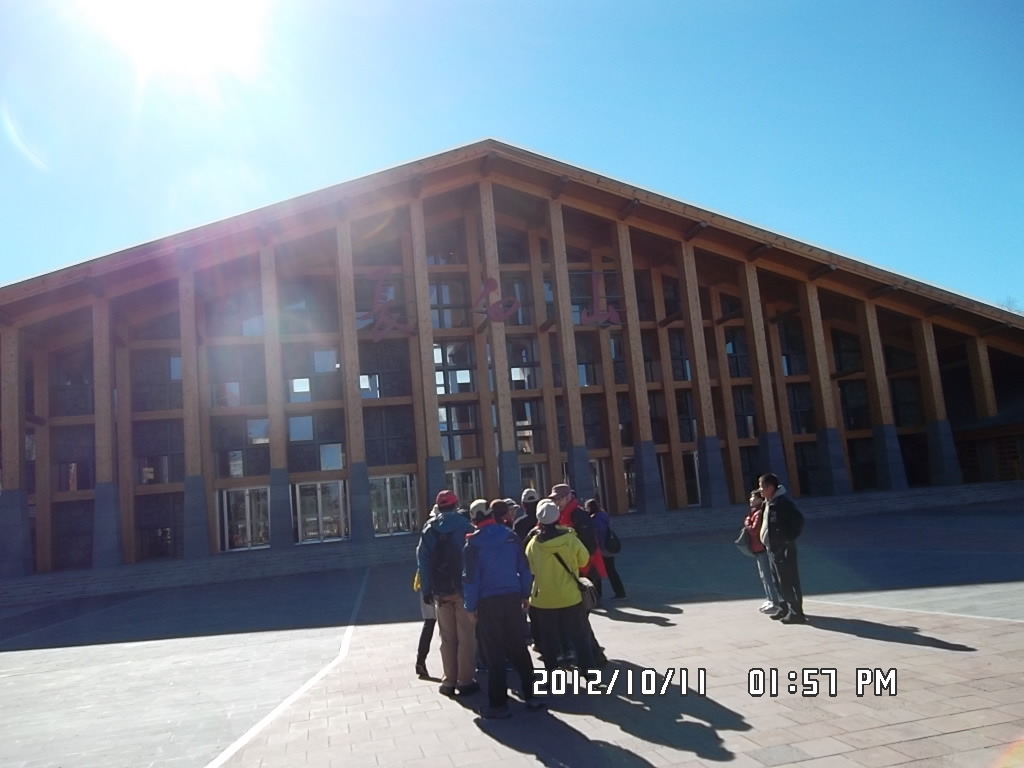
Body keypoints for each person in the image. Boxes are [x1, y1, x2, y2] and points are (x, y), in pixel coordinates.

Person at [463, 499, 544, 718]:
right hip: (512, 598)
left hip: (487, 602)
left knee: (494, 653)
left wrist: (470, 606)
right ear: (492, 515)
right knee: (519, 647)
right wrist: (525, 593)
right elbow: (524, 568)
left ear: (474, 520)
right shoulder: (510, 536)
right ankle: (532, 695)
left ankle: (498, 704)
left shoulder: (472, 544)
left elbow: (470, 580)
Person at [417, 489, 480, 696]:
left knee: (447, 637)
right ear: (455, 504)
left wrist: (427, 589)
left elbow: (423, 561)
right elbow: (473, 560)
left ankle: (448, 681)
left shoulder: (429, 529)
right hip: (462, 590)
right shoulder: (466, 526)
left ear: (438, 507)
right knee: (466, 636)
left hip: (440, 590)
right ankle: (465, 680)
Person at [525, 499, 596, 671]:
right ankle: (589, 672)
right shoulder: (571, 539)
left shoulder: (533, 544)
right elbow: (584, 560)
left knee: (548, 640)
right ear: (557, 517)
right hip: (570, 596)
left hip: (543, 599)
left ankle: (552, 673)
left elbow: (531, 568)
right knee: (579, 637)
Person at [758, 473, 806, 624]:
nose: (760, 490)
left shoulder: (783, 503)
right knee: (777, 581)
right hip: (772, 548)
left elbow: (798, 521)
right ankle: (784, 608)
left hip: (784, 548)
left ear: (770, 487)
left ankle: (796, 612)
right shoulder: (768, 503)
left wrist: (787, 540)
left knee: (788, 580)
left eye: (762, 487)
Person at [743, 490, 779, 615]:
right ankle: (770, 599)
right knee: (764, 576)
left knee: (768, 576)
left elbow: (754, 530)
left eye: (753, 497)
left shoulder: (758, 513)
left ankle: (775, 602)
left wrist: (747, 521)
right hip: (757, 548)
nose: (751, 500)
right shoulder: (754, 512)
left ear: (759, 499)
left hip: (762, 548)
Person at [584, 498, 626, 600]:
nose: (586, 510)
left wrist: (598, 548)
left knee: (598, 571)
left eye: (586, 508)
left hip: (602, 549)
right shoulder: (603, 516)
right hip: (608, 547)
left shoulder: (596, 519)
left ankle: (599, 594)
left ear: (590, 508)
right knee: (611, 571)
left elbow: (599, 535)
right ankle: (620, 592)